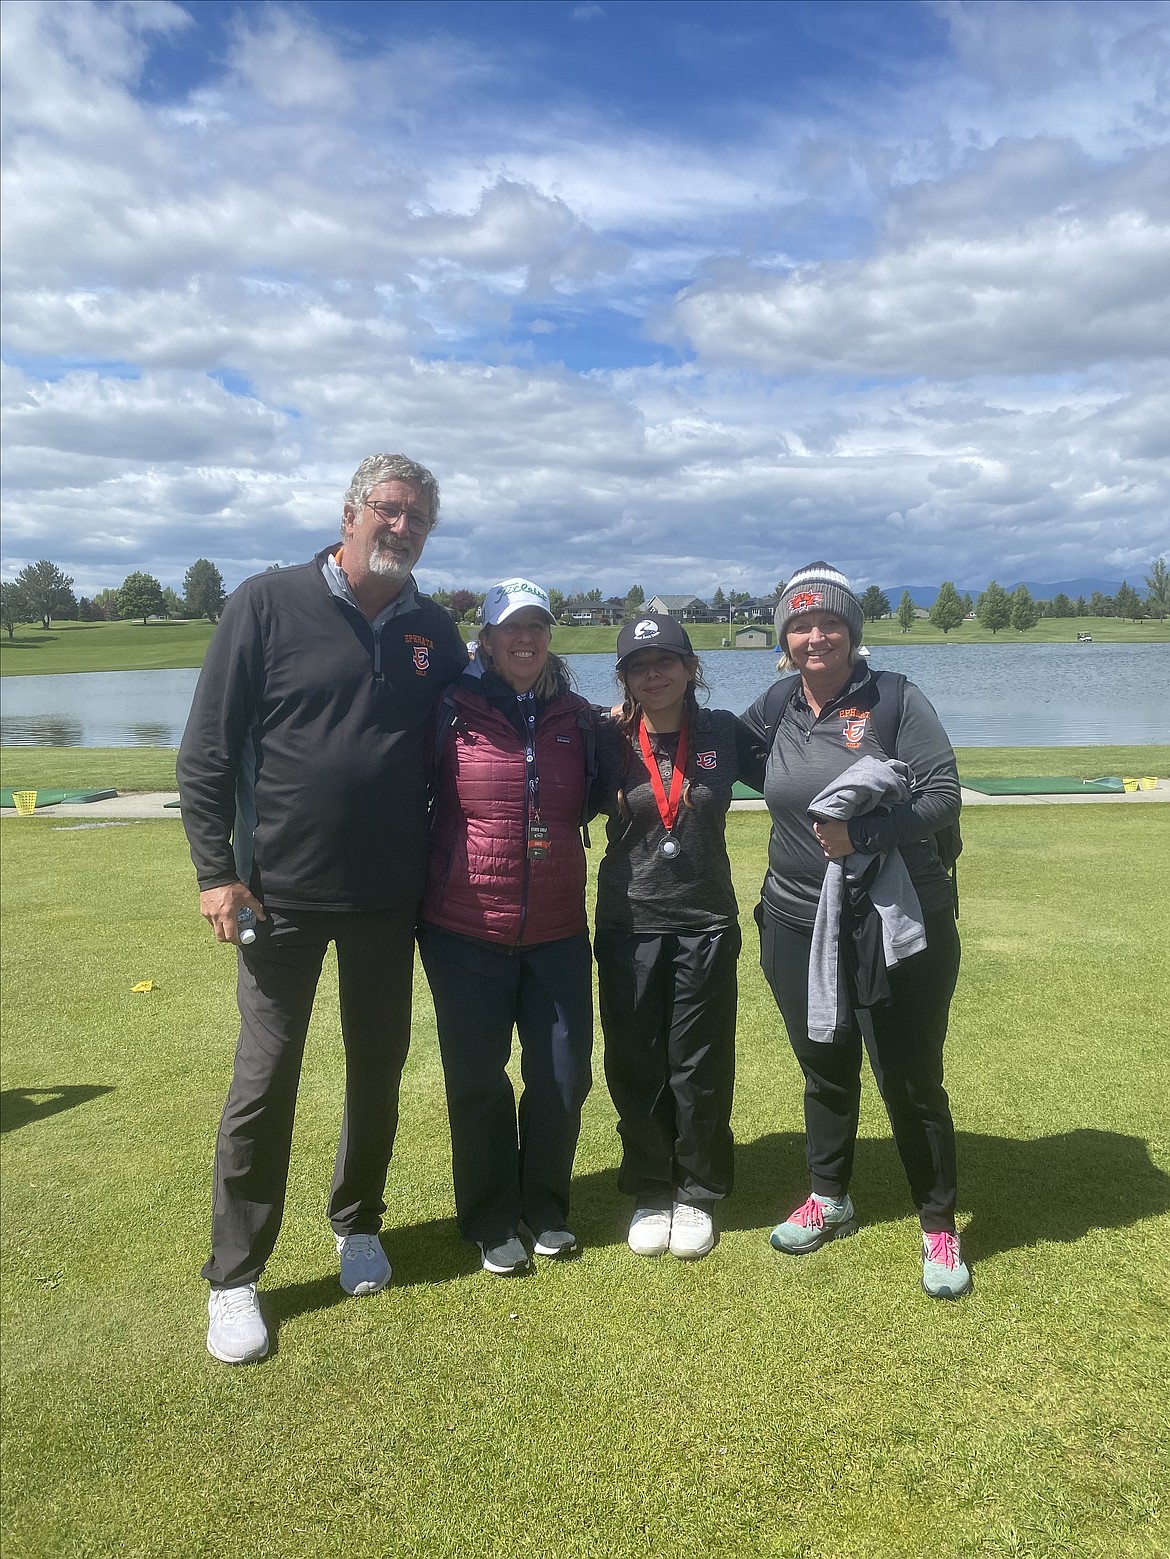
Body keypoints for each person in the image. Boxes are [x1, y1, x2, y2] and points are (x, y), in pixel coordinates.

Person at [178, 453, 467, 1364]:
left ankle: (358, 1221)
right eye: (391, 510)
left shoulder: (433, 629)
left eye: (420, 517)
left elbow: (465, 736)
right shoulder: (266, 604)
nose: (405, 528)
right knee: (265, 1081)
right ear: (350, 513)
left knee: (378, 1067)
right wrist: (216, 873)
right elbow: (206, 754)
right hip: (280, 897)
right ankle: (235, 1278)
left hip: (390, 899)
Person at [739, 563, 970, 1298]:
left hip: (893, 922)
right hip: (795, 920)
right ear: (784, 637)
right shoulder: (777, 703)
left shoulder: (896, 697)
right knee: (824, 1067)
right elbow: (712, 743)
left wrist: (863, 834)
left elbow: (942, 796)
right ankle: (830, 1196)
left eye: (829, 622)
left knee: (909, 1078)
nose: (815, 635)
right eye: (800, 624)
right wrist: (631, 717)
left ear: (851, 631)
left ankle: (938, 1223)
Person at [417, 580, 596, 1276]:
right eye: (510, 628)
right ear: (485, 639)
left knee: (561, 1075)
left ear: (549, 637)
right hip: (463, 930)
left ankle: (545, 1207)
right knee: (478, 1080)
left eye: (537, 627)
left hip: (556, 930)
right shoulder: (450, 709)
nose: (525, 639)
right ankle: (493, 1217)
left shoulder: (578, 718)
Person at [594, 616, 744, 1260]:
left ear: (689, 667)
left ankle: (696, 1190)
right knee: (636, 1063)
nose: (653, 674)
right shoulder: (605, 740)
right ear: (624, 678)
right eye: (638, 665)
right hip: (630, 920)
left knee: (699, 1065)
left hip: (705, 920)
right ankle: (652, 1189)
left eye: (665, 661)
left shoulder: (725, 734)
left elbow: (801, 772)